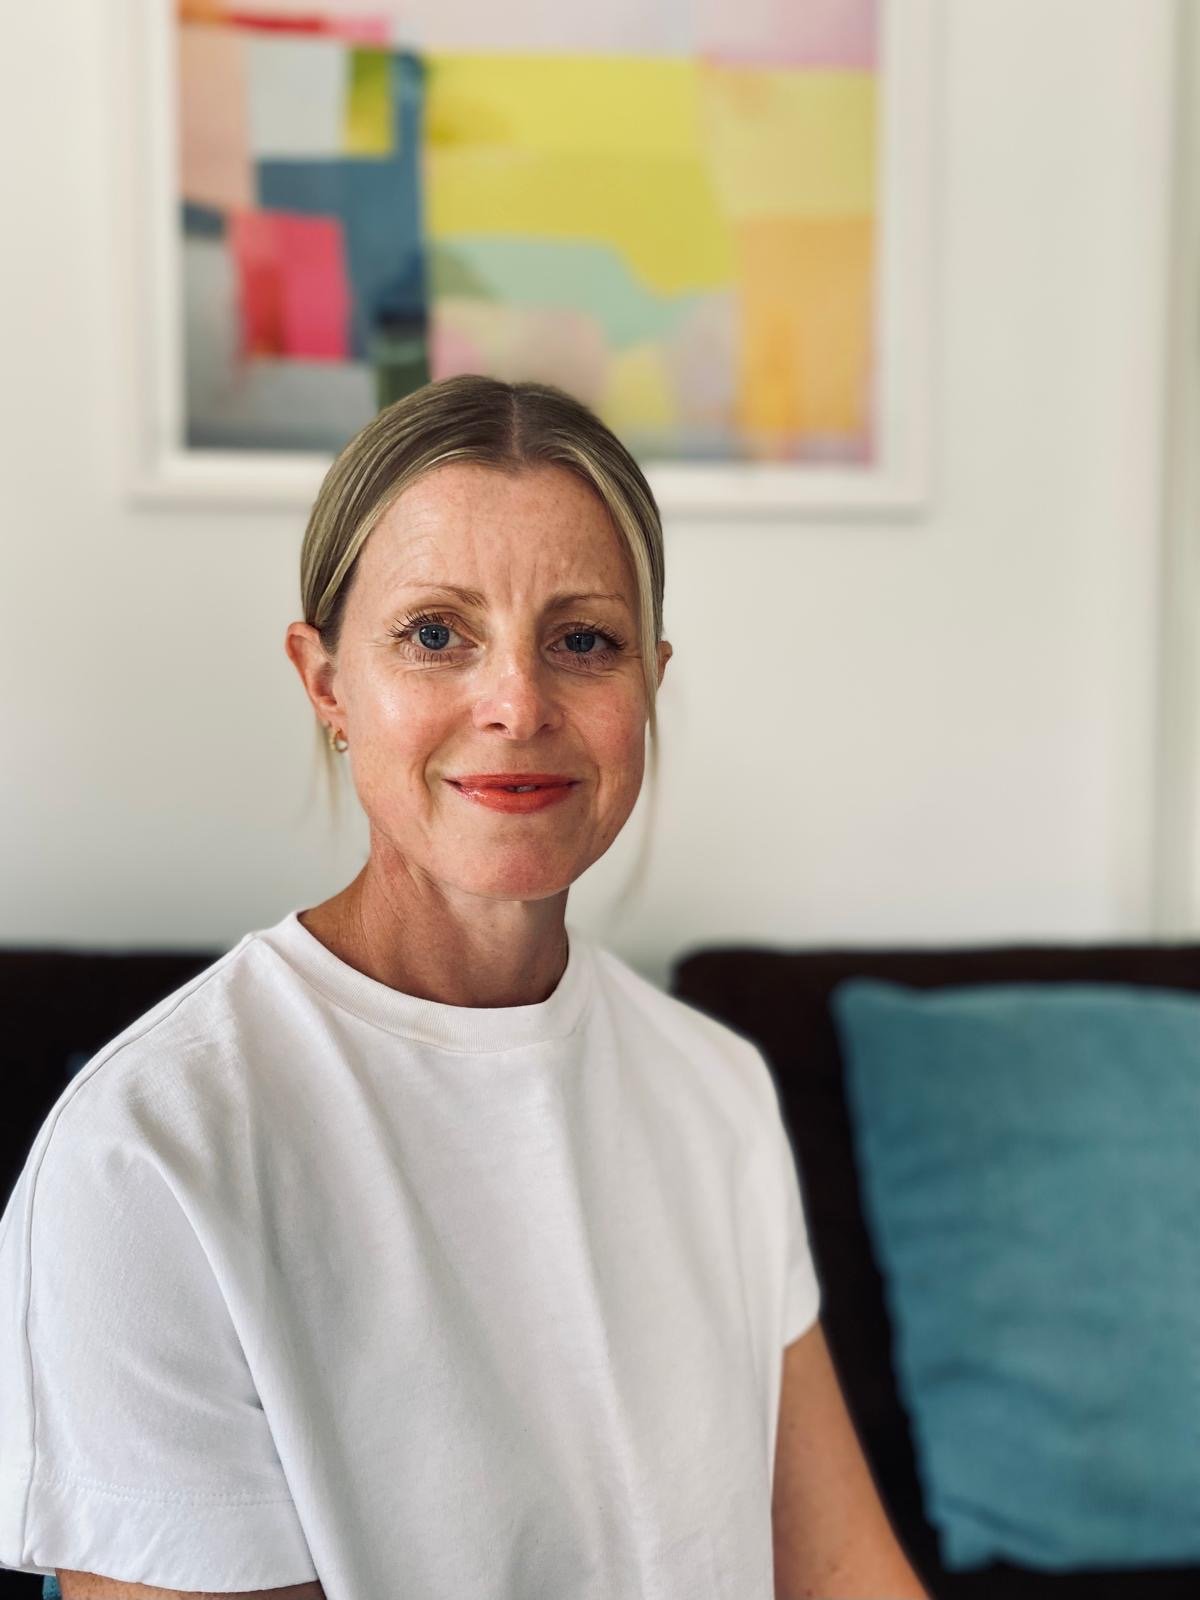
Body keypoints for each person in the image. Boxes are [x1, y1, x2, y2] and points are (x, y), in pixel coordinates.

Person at [0, 375, 928, 1599]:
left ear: (646, 681)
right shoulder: (152, 1154)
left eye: (581, 639)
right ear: (326, 682)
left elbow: (846, 1575)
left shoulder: (719, 1092)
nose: (518, 704)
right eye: (437, 633)